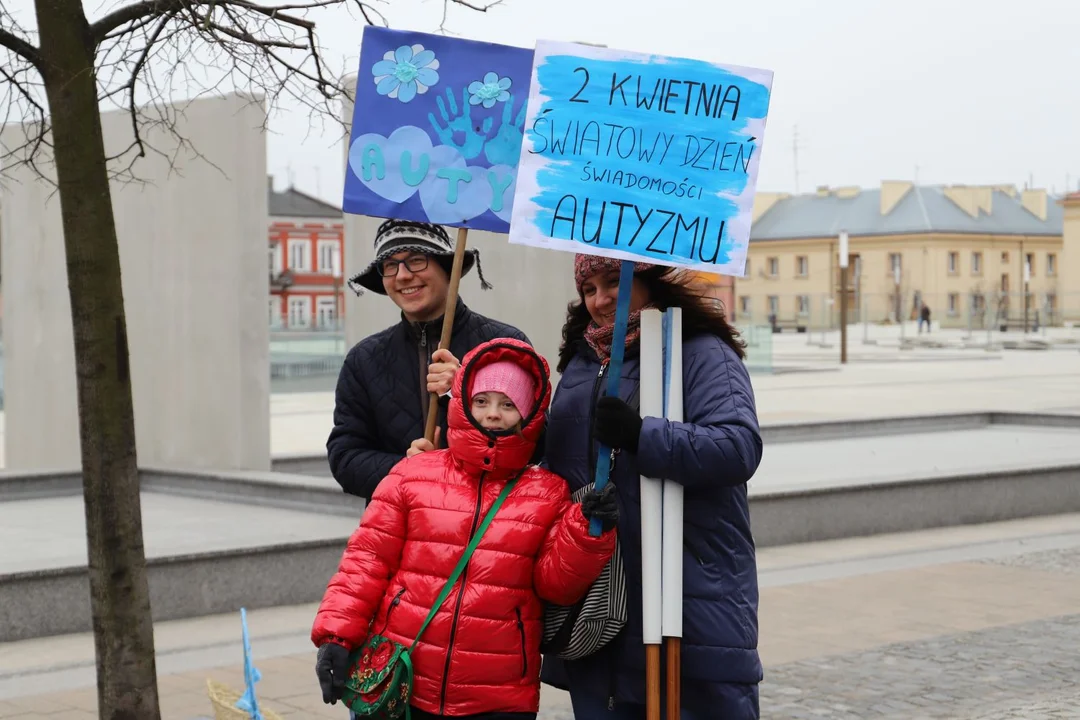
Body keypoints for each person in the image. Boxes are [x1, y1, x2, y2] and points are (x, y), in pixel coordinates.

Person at [312, 338, 619, 719]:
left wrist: (586, 532)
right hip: (405, 680)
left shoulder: (548, 492)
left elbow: (556, 584)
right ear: (463, 403)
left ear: (531, 415)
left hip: (498, 693)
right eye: (482, 401)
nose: (493, 414)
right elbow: (366, 561)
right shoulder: (413, 474)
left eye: (508, 404)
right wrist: (336, 636)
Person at [539, 255, 765, 720]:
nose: (602, 300)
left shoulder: (701, 351)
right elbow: (550, 462)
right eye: (590, 289)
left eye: (614, 284)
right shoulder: (582, 364)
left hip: (689, 606)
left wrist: (643, 435)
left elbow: (738, 447)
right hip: (600, 616)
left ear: (649, 281)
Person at [328, 219, 531, 501]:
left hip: (489, 529)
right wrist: (409, 468)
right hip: (400, 530)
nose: (403, 275)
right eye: (390, 265)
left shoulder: (503, 345)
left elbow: (537, 442)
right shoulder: (364, 359)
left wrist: (465, 391)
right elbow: (345, 458)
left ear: (449, 268)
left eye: (416, 260)